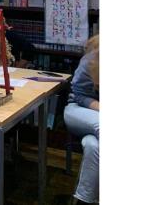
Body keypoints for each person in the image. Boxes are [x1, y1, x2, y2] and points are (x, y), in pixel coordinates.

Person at [64, 35, 99, 205]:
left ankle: (84, 200)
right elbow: (79, 94)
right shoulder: (94, 58)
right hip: (79, 109)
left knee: (93, 146)